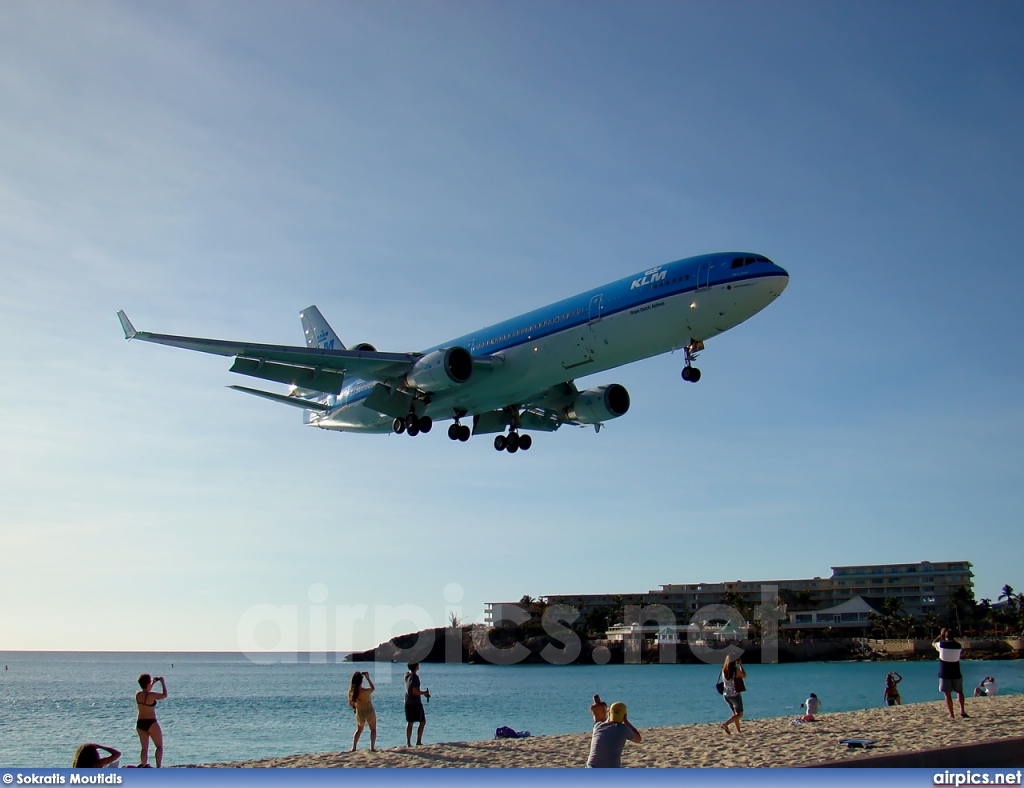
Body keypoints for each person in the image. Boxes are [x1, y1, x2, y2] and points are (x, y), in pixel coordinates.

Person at [586, 694, 641, 768]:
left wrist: (599, 707)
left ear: (609, 713)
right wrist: (626, 721)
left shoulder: (598, 726)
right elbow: (638, 739)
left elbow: (598, 718)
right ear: (624, 715)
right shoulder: (624, 729)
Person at [933, 628, 968, 719]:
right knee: (959, 692)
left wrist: (940, 635)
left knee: (947, 694)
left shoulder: (942, 644)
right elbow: (953, 643)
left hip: (945, 673)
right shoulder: (958, 646)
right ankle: (962, 710)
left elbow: (933, 643)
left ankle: (951, 714)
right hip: (956, 672)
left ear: (945, 636)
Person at [135, 673, 167, 767]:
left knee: (144, 748)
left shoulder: (138, 695)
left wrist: (152, 683)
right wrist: (162, 683)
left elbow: (146, 691)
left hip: (140, 723)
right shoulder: (152, 696)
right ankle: (158, 767)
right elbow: (164, 695)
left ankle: (144, 766)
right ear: (148, 684)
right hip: (151, 722)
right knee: (159, 746)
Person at [348, 670, 377, 751]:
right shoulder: (365, 691)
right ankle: (372, 748)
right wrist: (368, 678)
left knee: (359, 730)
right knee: (373, 730)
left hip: (360, 712)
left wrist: (357, 706)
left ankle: (354, 747)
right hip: (369, 710)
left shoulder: (352, 692)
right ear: (361, 681)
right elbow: (373, 688)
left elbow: (351, 704)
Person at [404, 663, 430, 746]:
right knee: (422, 721)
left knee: (410, 722)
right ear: (416, 667)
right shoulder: (415, 677)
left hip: (408, 701)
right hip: (415, 703)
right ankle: (418, 741)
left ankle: (408, 742)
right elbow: (415, 691)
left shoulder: (406, 675)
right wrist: (424, 693)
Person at [720, 655, 746, 734]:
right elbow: (744, 675)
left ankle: (739, 731)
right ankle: (726, 724)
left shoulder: (723, 669)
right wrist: (741, 665)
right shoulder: (735, 670)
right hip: (734, 694)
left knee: (735, 714)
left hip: (726, 694)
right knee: (740, 714)